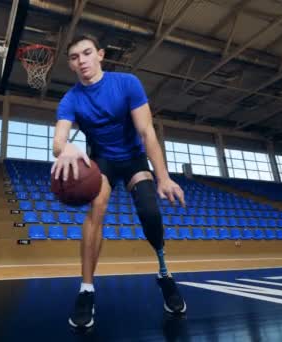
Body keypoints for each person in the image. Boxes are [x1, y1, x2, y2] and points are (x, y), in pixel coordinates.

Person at [51, 34, 188, 329]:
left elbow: (146, 132)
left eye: (87, 53)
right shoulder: (71, 98)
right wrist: (66, 149)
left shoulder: (127, 83)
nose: (82, 60)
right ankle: (86, 290)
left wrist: (162, 177)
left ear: (100, 55)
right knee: (96, 209)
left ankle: (164, 274)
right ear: (71, 65)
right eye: (75, 58)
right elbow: (58, 141)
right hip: (103, 161)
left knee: (150, 211)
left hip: (134, 157)